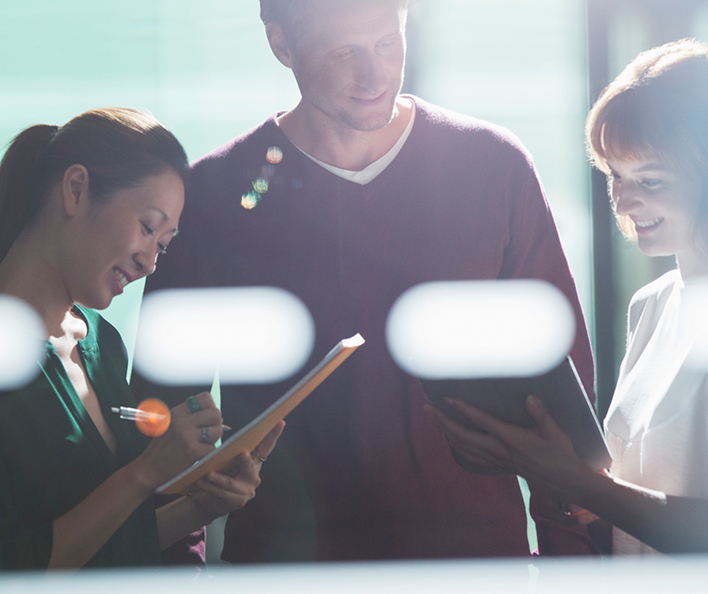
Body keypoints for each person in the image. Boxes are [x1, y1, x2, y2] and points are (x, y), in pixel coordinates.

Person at [131, 0, 598, 561]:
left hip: (476, 564)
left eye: (387, 44)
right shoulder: (210, 194)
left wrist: (574, 563)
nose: (375, 76)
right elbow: (161, 416)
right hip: (284, 569)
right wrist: (174, 569)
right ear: (282, 46)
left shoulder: (493, 166)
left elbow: (564, 395)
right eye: (344, 52)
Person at [427, 39, 708, 554]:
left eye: (651, 179)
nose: (622, 198)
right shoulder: (653, 304)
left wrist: (577, 481)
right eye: (615, 174)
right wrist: (565, 479)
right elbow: (636, 503)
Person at [0, 107, 283, 570]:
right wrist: (146, 473)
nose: (150, 262)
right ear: (75, 190)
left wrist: (204, 505)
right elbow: (16, 564)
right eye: (147, 228)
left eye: (164, 244)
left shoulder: (101, 343)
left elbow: (115, 545)